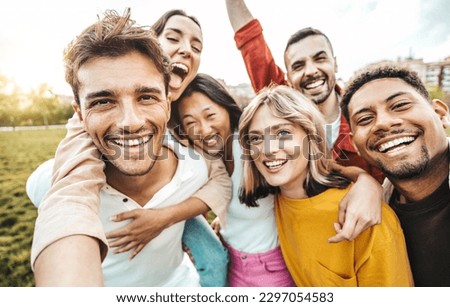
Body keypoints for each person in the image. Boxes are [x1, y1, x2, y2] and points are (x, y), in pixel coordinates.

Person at [28, 9, 231, 286]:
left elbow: (218, 174)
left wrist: (164, 217)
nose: (131, 122)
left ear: (167, 100)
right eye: (103, 102)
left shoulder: (194, 157)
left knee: (214, 258)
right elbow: (68, 203)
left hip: (181, 278)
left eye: (146, 96)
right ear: (79, 113)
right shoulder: (60, 172)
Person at [168, 73, 389, 286]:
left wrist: (365, 181)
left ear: (226, 109)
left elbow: (315, 164)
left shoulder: (252, 146)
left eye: (210, 115)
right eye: (191, 122)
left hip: (270, 269)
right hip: (234, 265)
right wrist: (222, 221)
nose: (204, 129)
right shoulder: (204, 159)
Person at [225, 0, 385, 240]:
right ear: (288, 77)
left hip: (360, 242)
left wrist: (373, 187)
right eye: (298, 65)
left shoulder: (367, 120)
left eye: (320, 59)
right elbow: (251, 42)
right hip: (295, 241)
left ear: (335, 63)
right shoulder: (279, 106)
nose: (310, 71)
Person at [238, 84, 413, 286]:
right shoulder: (270, 201)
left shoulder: (367, 219)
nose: (267, 150)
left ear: (311, 138)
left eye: (283, 133)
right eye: (256, 138)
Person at [340, 64, 450, 286]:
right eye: (365, 119)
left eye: (399, 105)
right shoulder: (375, 210)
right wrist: (364, 179)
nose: (383, 123)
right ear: (355, 144)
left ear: (440, 114)